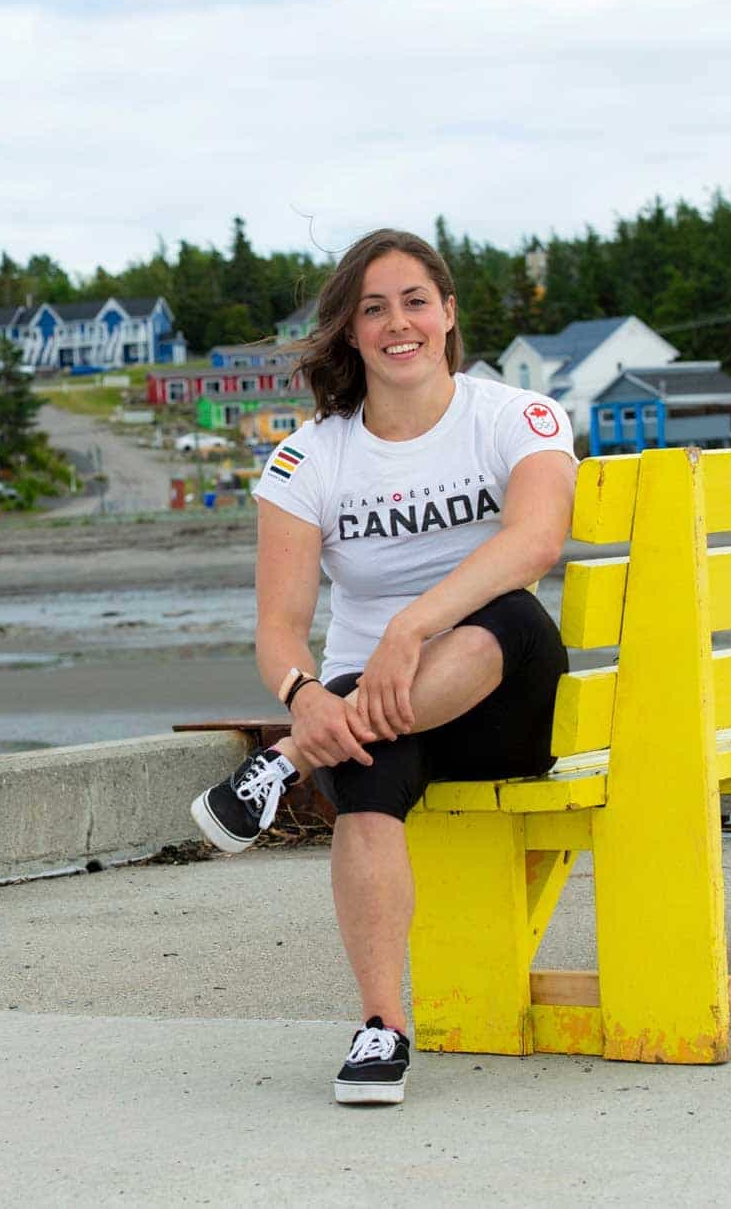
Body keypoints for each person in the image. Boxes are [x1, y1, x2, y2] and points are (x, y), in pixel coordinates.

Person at [190, 227, 576, 1106]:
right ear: (352, 334)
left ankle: (288, 759)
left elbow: (535, 540)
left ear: (446, 315)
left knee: (508, 614)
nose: (396, 322)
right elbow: (279, 626)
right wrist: (299, 692)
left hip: (501, 699)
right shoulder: (310, 457)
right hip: (379, 705)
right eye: (373, 309)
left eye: (413, 301)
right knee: (365, 764)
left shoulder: (517, 417)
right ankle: (381, 1027)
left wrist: (412, 625)